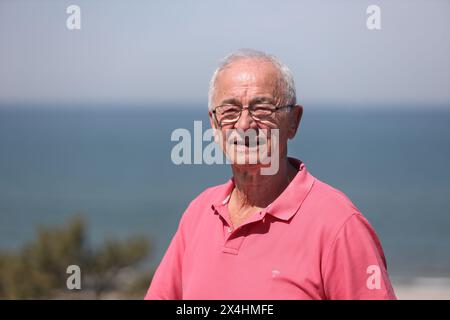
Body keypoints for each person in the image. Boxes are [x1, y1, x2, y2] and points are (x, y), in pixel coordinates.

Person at [145, 49, 397, 300]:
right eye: (230, 111)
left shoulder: (339, 226)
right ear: (214, 124)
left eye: (262, 109)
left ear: (293, 121)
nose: (244, 125)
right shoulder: (199, 213)